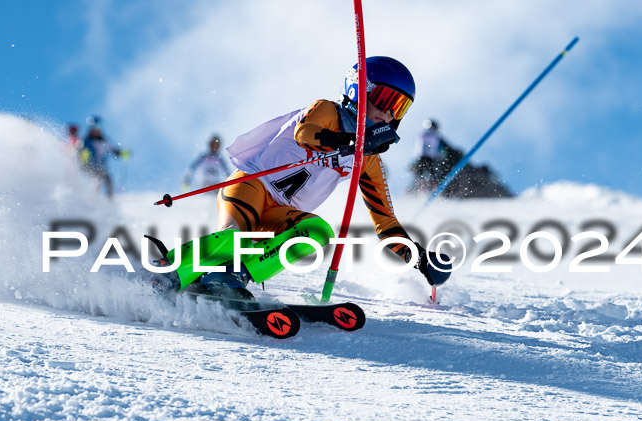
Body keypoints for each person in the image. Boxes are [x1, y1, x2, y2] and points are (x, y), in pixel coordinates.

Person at [182, 56, 450, 297]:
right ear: (359, 89)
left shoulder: (368, 160)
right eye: (386, 100)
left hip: (281, 211)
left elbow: (386, 223)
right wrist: (349, 141)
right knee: (234, 239)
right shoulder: (328, 111)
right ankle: (172, 273)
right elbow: (305, 133)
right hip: (252, 184)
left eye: (400, 108)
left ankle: (232, 278)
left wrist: (419, 259)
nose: (390, 113)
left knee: (317, 233)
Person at [79, 116, 128, 198]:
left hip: (100, 168)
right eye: (94, 126)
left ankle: (108, 199)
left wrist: (123, 153)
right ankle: (92, 197)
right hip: (88, 167)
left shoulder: (105, 141)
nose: (97, 129)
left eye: (99, 126)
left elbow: (115, 151)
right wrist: (83, 158)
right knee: (101, 178)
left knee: (106, 179)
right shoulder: (85, 141)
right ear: (90, 128)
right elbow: (78, 151)